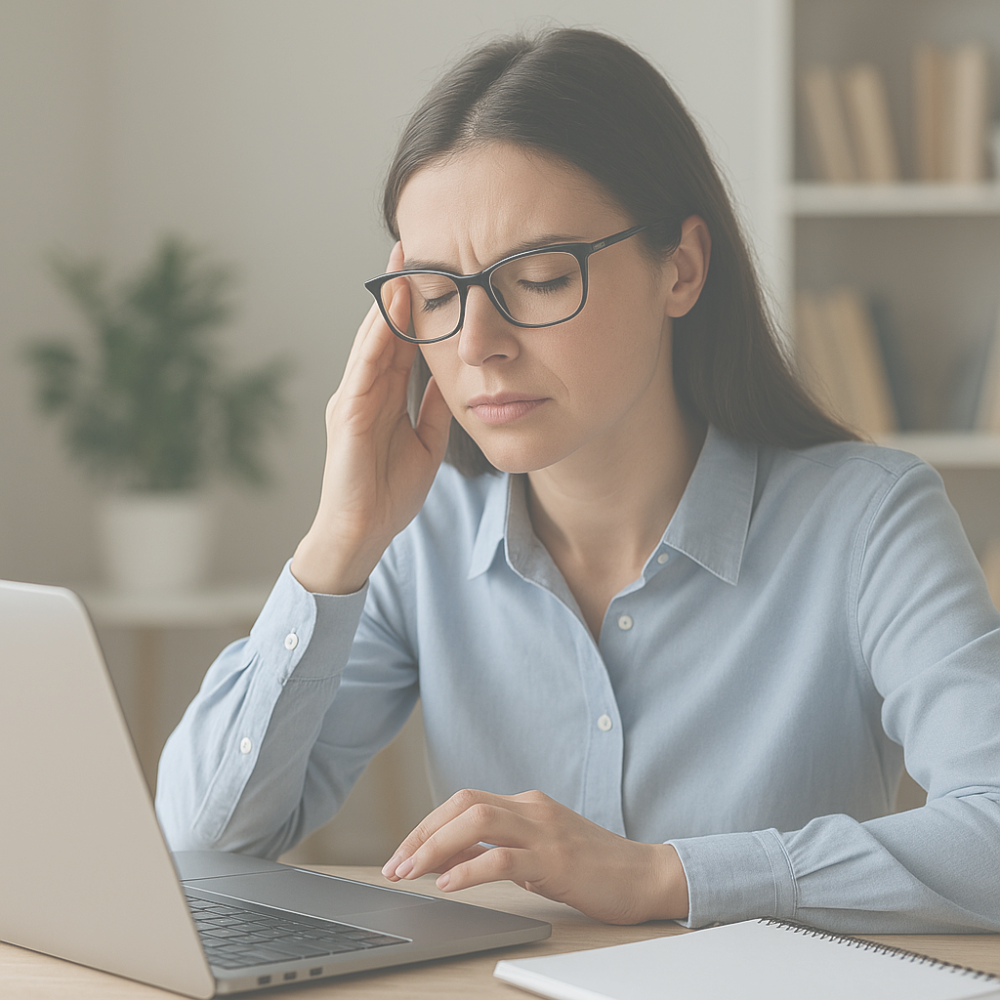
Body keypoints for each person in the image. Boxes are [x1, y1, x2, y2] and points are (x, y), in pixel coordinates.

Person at [155, 28, 1000, 933]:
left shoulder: (869, 519)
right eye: (437, 295)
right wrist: (337, 543)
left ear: (681, 268)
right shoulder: (420, 539)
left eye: (542, 276)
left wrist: (667, 877)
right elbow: (203, 842)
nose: (477, 342)